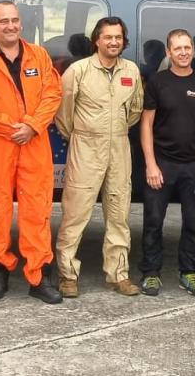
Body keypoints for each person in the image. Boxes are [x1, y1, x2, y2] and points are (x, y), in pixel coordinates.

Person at [0, 0, 63, 304]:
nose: (10, 26)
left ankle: (38, 276)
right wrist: (12, 129)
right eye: (3, 21)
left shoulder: (39, 56)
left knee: (37, 209)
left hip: (34, 143)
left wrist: (32, 126)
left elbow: (53, 94)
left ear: (20, 23)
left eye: (14, 20)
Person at [54, 16, 144, 297]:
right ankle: (68, 276)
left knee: (119, 214)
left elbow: (135, 110)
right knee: (75, 214)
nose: (114, 42)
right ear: (97, 40)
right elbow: (63, 114)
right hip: (85, 148)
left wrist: (115, 131)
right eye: (108, 37)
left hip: (119, 148)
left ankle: (118, 275)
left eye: (118, 37)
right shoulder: (78, 71)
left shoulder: (131, 70)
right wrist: (82, 136)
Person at [139, 28, 195, 296]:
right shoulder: (157, 82)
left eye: (187, 47)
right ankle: (150, 273)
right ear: (168, 52)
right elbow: (146, 125)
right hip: (162, 163)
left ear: (193, 50)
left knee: (194, 222)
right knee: (153, 221)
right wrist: (150, 164)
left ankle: (189, 272)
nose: (183, 53)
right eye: (178, 48)